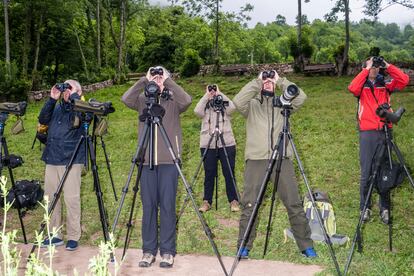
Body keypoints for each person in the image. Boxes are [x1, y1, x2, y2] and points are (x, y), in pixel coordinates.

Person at [233, 70, 316, 259]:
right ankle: (244, 245)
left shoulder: (284, 103)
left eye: (271, 81)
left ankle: (305, 245)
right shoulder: (252, 105)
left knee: (293, 203)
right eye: (266, 81)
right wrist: (258, 80)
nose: (268, 83)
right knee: (250, 204)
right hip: (256, 159)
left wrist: (280, 80)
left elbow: (301, 97)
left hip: (281, 158)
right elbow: (238, 101)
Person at [122, 66, 191, 268]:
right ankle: (148, 251)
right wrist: (145, 80)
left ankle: (167, 251)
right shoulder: (143, 99)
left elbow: (187, 100)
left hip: (169, 161)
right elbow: (126, 99)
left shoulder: (172, 100)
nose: (157, 78)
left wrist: (167, 81)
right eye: (155, 75)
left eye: (161, 75)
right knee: (149, 207)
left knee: (168, 207)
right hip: (146, 161)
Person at [348, 57, 409, 224]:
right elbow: (352, 88)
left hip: (385, 131)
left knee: (384, 170)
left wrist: (387, 66)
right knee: (366, 171)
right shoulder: (362, 86)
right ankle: (364, 207)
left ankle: (384, 208)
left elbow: (404, 80)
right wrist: (366, 70)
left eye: (376, 66)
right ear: (365, 67)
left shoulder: (385, 84)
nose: (375, 68)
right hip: (367, 133)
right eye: (371, 66)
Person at [38, 80, 85, 251]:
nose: (66, 92)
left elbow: (84, 118)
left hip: (72, 158)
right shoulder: (57, 107)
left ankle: (73, 236)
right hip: (52, 157)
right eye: (65, 88)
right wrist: (52, 99)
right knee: (50, 199)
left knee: (71, 199)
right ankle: (54, 235)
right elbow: (42, 119)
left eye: (70, 89)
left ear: (78, 92)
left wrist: (74, 96)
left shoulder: (83, 106)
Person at [194, 84, 240, 213]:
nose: (213, 93)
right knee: (209, 173)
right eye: (211, 91)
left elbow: (232, 109)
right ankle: (206, 201)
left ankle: (233, 200)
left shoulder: (223, 104)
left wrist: (220, 94)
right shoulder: (205, 106)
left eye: (214, 91)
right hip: (208, 144)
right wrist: (206, 96)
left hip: (227, 143)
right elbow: (197, 111)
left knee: (229, 172)